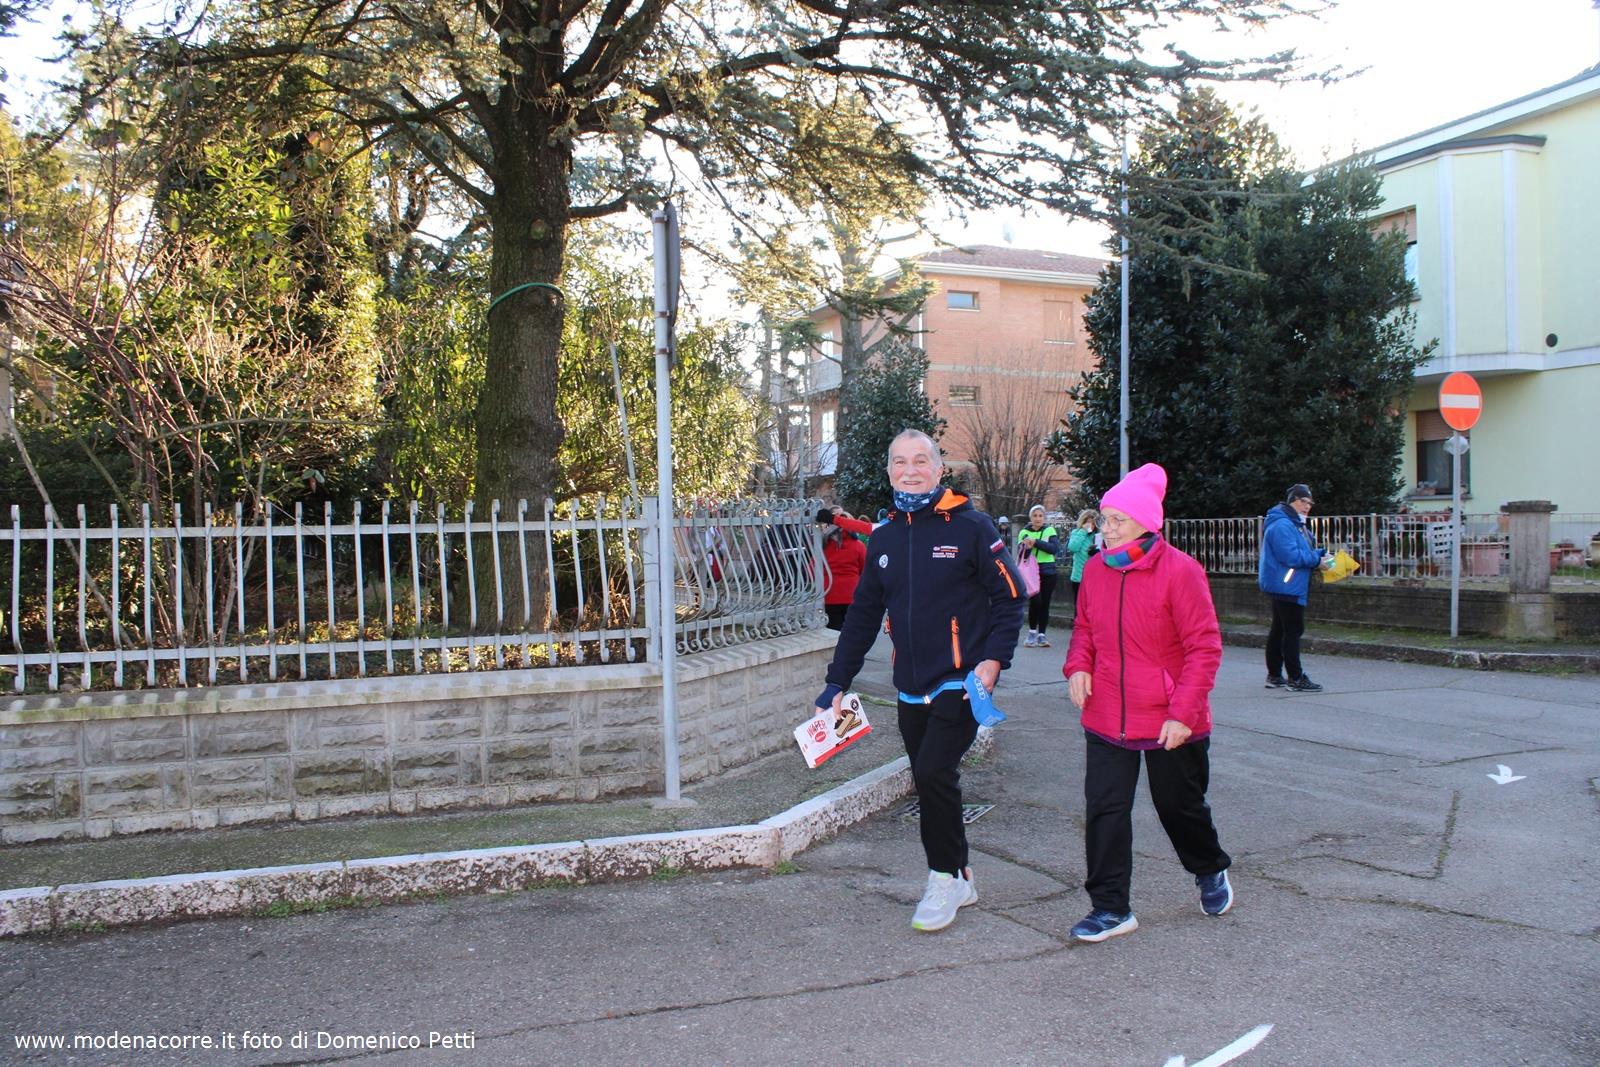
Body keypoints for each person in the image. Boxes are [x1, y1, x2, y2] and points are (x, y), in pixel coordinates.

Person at [816, 429, 1026, 932]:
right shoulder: (885, 536)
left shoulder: (972, 527)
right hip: (910, 685)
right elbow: (863, 616)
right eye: (899, 462)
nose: (909, 471)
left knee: (933, 772)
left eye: (920, 461)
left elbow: (1011, 596)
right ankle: (962, 874)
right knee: (932, 779)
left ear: (938, 469)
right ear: (889, 471)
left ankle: (943, 879)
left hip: (962, 680)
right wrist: (836, 683)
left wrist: (994, 660)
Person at [1062, 463, 1232, 943]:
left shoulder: (1181, 571)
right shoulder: (1096, 570)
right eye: (1105, 518)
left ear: (1146, 523)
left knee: (1179, 808)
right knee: (1105, 810)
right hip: (1106, 713)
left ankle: (1209, 868)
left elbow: (1204, 648)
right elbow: (1085, 628)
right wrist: (1078, 666)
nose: (1107, 528)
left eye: (1118, 520)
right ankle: (1110, 908)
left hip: (1170, 719)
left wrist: (1183, 713)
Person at [1257, 483, 1330, 693]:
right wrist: (1317, 560)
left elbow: (1301, 549)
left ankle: (1275, 675)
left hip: (1285, 583)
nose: (1307, 507)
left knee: (1280, 629)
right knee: (1292, 631)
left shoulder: (1292, 523)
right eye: (1304, 502)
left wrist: (1320, 553)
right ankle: (1295, 678)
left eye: (1310, 503)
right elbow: (1290, 556)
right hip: (1288, 584)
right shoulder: (1283, 525)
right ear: (1293, 501)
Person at [1017, 505, 1062, 648]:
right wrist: (1028, 547)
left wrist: (1035, 542)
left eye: (1040, 516)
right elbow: (1021, 552)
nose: (1038, 518)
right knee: (1036, 601)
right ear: (1031, 517)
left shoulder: (1050, 531)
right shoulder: (1024, 532)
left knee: (1045, 603)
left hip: (1048, 571)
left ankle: (1042, 635)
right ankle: (1031, 633)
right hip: (1030, 572)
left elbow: (1054, 549)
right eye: (1035, 515)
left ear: (1044, 518)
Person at [816, 509, 867, 630]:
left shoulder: (822, 546)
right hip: (852, 594)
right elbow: (866, 569)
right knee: (853, 631)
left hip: (828, 594)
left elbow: (812, 569)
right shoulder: (858, 545)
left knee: (833, 631)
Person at [1064, 509, 1099, 622]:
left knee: (1093, 607)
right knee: (1079, 608)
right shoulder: (1077, 533)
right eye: (1088, 522)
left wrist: (1096, 553)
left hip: (1094, 578)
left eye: (1093, 523)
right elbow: (1072, 547)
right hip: (1078, 577)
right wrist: (1083, 532)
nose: (1090, 526)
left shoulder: (1098, 536)